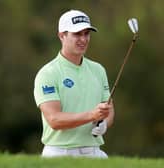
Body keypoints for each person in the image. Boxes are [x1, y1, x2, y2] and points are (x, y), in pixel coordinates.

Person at [34, 9, 115, 158]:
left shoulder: (98, 70)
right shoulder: (48, 73)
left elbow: (108, 109)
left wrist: (104, 124)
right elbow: (54, 119)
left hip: (94, 151)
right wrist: (92, 115)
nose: (83, 39)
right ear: (62, 36)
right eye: (77, 34)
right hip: (59, 153)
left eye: (86, 33)